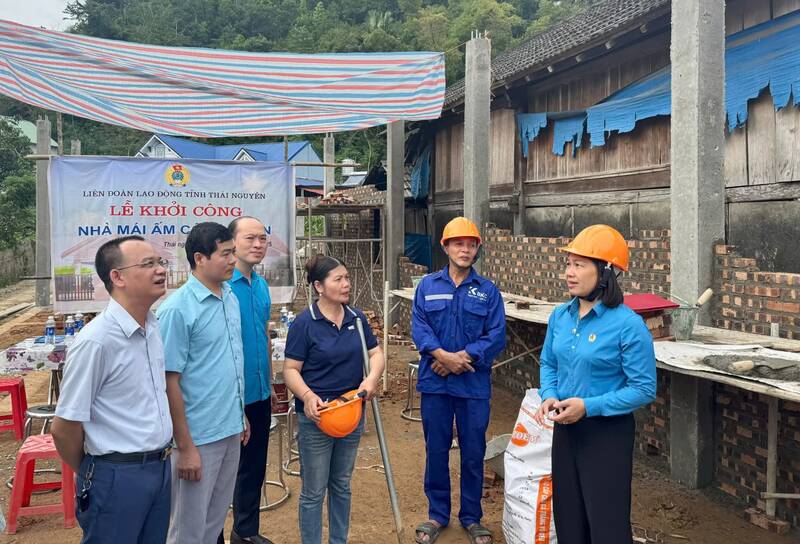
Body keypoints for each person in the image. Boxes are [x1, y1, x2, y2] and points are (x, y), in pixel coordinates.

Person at [533, 224, 656, 544]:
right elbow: (548, 363)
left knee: (606, 524)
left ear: (605, 272)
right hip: (566, 431)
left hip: (606, 436)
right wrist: (549, 394)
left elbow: (644, 388)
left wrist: (589, 406)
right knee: (569, 518)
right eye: (568, 264)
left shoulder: (628, 325)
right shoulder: (560, 316)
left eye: (579, 265)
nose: (569, 273)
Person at [52, 235, 173, 543]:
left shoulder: (153, 327)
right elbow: (65, 426)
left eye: (160, 262)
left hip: (159, 469)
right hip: (116, 475)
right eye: (147, 264)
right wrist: (99, 470)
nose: (160, 270)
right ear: (117, 277)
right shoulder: (97, 341)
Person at [411, 217, 506, 544]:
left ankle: (471, 517)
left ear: (477, 249)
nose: (465, 250)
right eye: (458, 244)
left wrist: (459, 359)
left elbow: (496, 336)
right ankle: (437, 514)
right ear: (446, 247)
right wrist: (441, 355)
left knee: (472, 451)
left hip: (472, 386)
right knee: (436, 449)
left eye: (471, 244)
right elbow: (419, 329)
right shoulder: (427, 286)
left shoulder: (488, 292)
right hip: (435, 385)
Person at [157, 222, 250, 544]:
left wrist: (241, 416)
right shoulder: (176, 310)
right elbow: (169, 381)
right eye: (225, 254)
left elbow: (229, 365)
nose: (232, 261)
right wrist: (184, 447)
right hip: (197, 437)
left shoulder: (229, 298)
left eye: (233, 253)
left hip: (229, 428)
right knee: (187, 529)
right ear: (200, 257)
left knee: (213, 523)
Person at [283, 255, 385, 544]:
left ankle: (338, 540)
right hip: (317, 417)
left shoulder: (356, 317)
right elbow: (290, 370)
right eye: (338, 279)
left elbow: (376, 353)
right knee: (314, 490)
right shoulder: (305, 324)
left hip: (351, 414)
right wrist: (307, 396)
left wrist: (371, 379)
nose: (346, 284)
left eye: (347, 278)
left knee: (341, 485)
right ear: (319, 286)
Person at [219, 216, 274, 544]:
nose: (257, 244)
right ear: (231, 244)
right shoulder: (223, 289)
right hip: (228, 397)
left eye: (263, 239)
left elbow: (264, 335)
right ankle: (214, 535)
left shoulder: (261, 285)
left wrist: (271, 383)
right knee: (223, 473)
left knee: (254, 467)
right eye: (250, 238)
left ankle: (245, 532)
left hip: (259, 392)